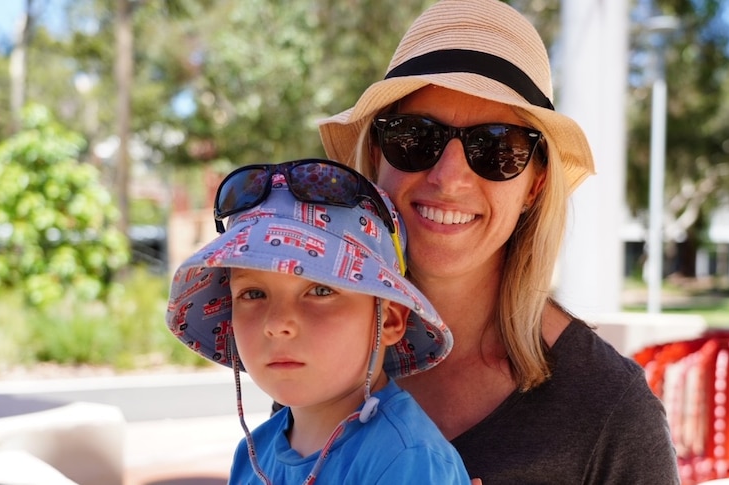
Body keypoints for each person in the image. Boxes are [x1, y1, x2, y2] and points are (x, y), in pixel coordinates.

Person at [317, 0, 681, 483]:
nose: (449, 178)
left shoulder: (610, 409)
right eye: (415, 136)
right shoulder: (320, 348)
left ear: (534, 184)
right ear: (378, 156)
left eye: (496, 147)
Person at [165, 158, 471, 484]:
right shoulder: (254, 454)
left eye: (320, 290)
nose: (278, 323)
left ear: (390, 319)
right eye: (253, 294)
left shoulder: (407, 459)